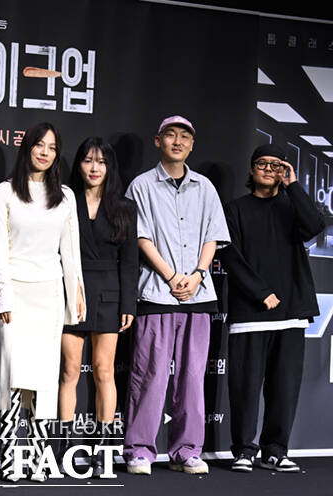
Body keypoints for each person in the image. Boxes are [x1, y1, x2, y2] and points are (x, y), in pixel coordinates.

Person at [123, 116, 230, 475]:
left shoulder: (205, 187)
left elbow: (213, 235)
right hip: (157, 292)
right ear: (158, 141)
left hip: (199, 295)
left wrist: (198, 274)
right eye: (171, 135)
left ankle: (187, 450)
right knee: (150, 374)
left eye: (185, 136)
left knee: (193, 376)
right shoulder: (141, 185)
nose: (178, 141)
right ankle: (139, 450)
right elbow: (140, 237)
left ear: (192, 144)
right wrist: (171, 276)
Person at [0, 122, 86, 482]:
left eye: (52, 147)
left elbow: (70, 251)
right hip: (14, 293)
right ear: (27, 148)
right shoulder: (4, 192)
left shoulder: (66, 196)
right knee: (12, 375)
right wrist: (3, 295)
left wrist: (75, 296)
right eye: (39, 145)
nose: (45, 152)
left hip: (49, 295)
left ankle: (40, 458)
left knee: (43, 379)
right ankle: (9, 457)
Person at [218, 144, 324, 473]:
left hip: (291, 312)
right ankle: (243, 450)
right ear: (252, 170)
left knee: (284, 389)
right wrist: (261, 293)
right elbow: (229, 254)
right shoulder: (235, 209)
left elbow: (315, 226)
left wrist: (293, 185)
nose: (268, 169)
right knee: (245, 388)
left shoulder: (291, 207)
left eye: (276, 165)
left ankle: (275, 450)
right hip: (251, 314)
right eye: (262, 163)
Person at [58, 137, 138, 476]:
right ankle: (65, 449)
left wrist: (128, 302)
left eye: (101, 162)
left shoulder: (124, 207)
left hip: (109, 293)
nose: (94, 168)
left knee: (105, 371)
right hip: (70, 291)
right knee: (69, 371)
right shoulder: (64, 200)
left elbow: (130, 260)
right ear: (78, 164)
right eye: (88, 160)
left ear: (110, 167)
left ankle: (104, 450)